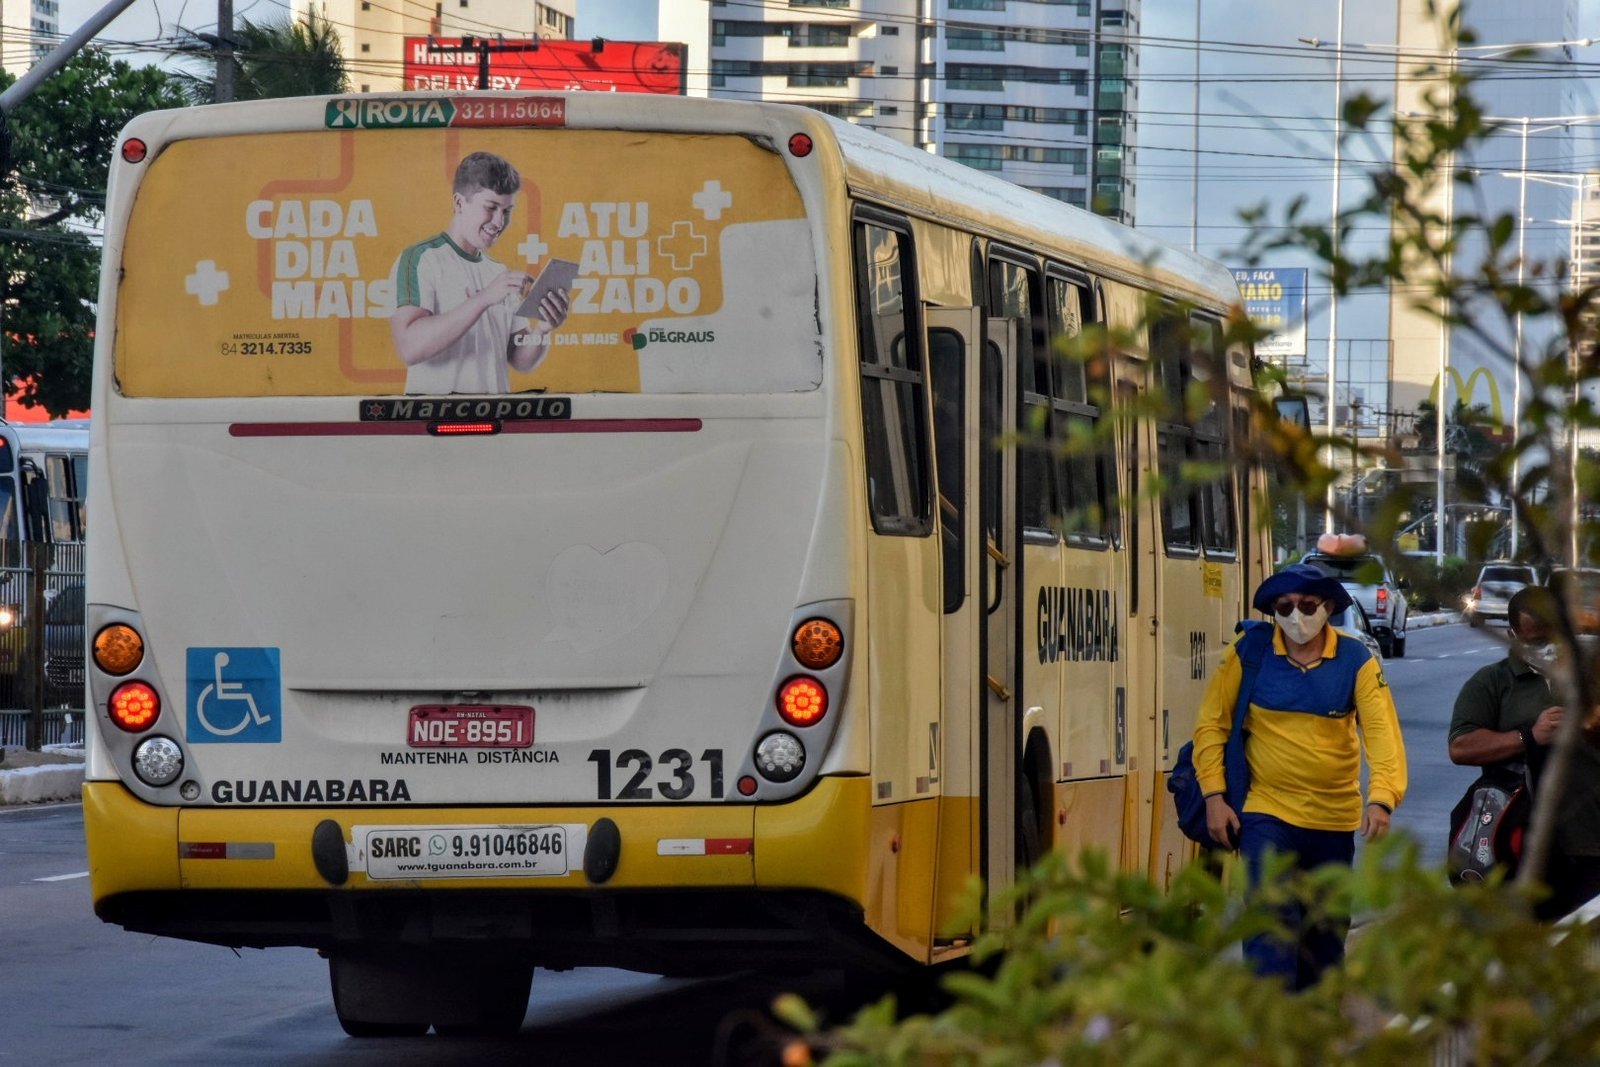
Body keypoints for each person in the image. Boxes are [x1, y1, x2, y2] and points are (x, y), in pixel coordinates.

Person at [1192, 562, 1408, 990]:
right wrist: (1214, 796)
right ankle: (1270, 1035)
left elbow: (1383, 735)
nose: (1296, 616)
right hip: (1265, 814)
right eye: (1285, 606)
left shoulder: (1356, 660)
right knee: (1269, 929)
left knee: (1323, 943)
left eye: (1307, 605)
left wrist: (1381, 798)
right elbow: (1210, 726)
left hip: (1332, 821)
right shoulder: (1247, 653)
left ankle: (1317, 1032)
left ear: (1328, 607)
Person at [1448, 585, 1600, 919]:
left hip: (1590, 842)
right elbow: (1461, 747)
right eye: (1532, 640)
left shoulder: (1590, 677)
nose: (1544, 648)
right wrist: (1528, 736)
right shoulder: (1492, 682)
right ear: (1513, 634)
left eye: (1551, 636)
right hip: (1517, 845)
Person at [389, 151, 570, 395]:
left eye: (506, 210)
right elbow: (410, 348)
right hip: (435, 417)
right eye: (491, 207)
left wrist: (543, 330)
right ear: (459, 203)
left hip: (496, 415)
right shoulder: (421, 258)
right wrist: (484, 298)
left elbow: (520, 360)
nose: (499, 222)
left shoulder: (498, 272)